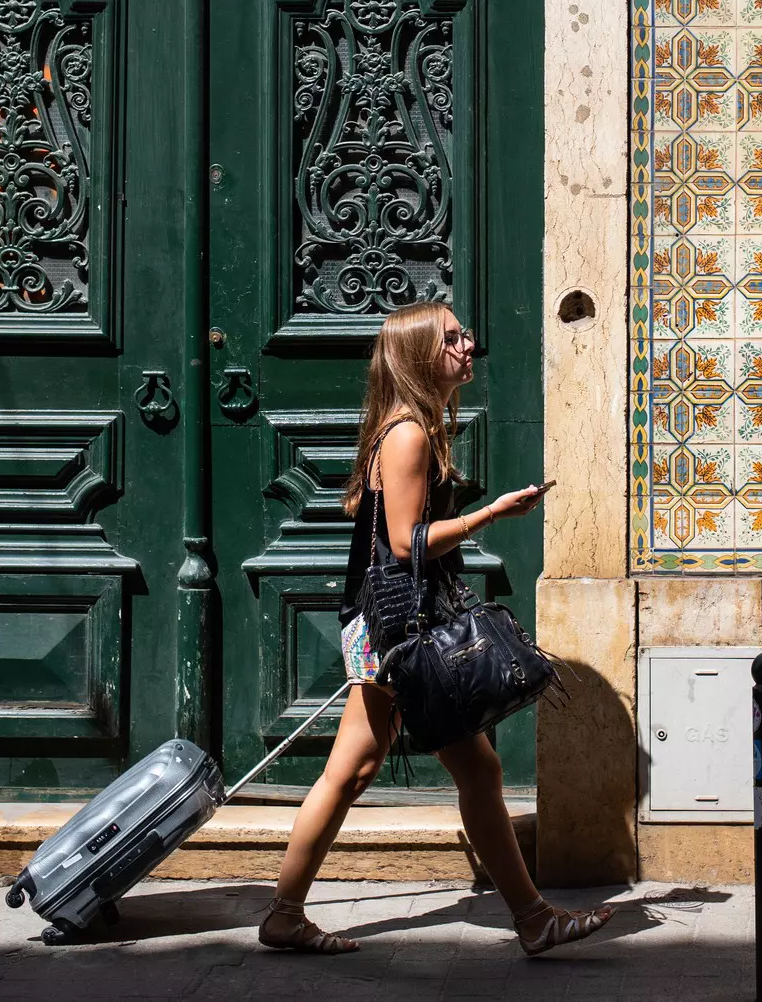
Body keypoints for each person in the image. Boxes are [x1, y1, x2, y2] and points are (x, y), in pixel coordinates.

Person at [258, 299, 615, 959]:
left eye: (465, 334)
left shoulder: (413, 426)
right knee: (464, 770)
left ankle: (285, 913)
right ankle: (532, 918)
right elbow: (402, 543)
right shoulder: (408, 434)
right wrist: (492, 516)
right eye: (453, 338)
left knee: (363, 769)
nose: (467, 346)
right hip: (397, 629)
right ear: (424, 353)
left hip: (387, 626)